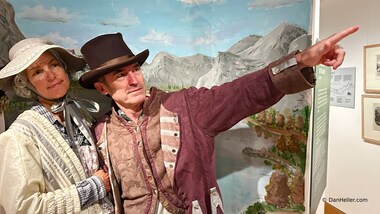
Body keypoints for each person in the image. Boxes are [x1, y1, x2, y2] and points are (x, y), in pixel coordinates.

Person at [78, 25, 359, 214]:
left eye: (135, 69)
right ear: (103, 88)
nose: (133, 79)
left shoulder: (186, 106)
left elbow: (243, 93)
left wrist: (301, 61)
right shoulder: (101, 132)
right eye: (119, 75)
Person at [0, 38, 114, 213]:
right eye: (37, 72)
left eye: (54, 65)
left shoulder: (78, 112)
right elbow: (22, 207)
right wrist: (94, 187)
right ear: (25, 84)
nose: (51, 75)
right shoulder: (19, 137)